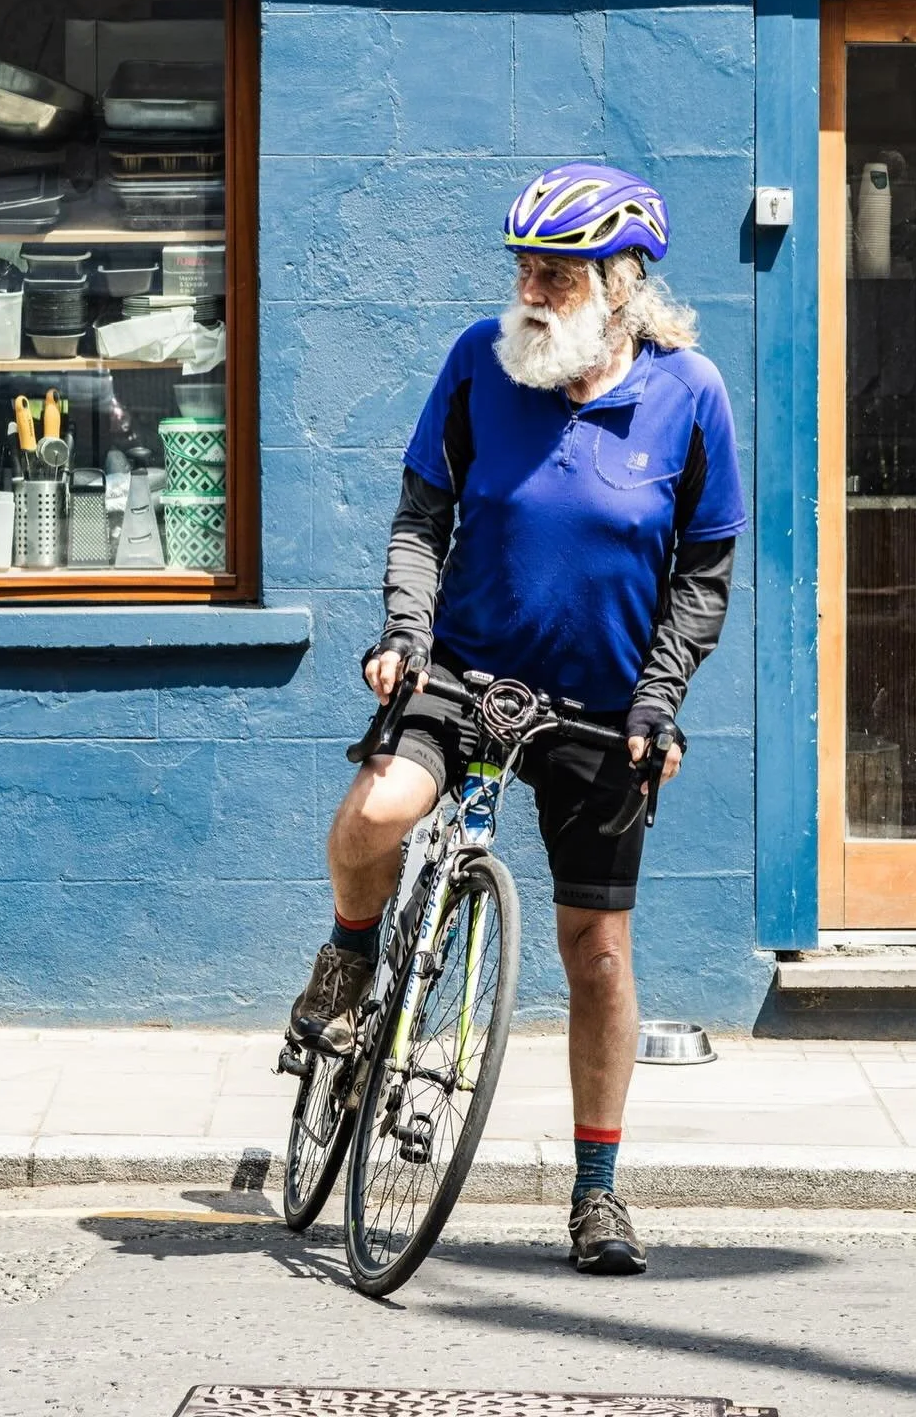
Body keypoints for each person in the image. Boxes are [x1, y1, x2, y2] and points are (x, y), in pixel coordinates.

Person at [290, 161, 745, 1275]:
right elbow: (419, 517)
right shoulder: (478, 367)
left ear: (623, 281)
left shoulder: (691, 395)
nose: (534, 288)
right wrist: (405, 635)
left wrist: (660, 698)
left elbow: (704, 570)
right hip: (467, 669)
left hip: (603, 708)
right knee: (377, 814)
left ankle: (596, 1194)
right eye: (526, 268)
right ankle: (353, 960)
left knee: (597, 956)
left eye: (559, 270)